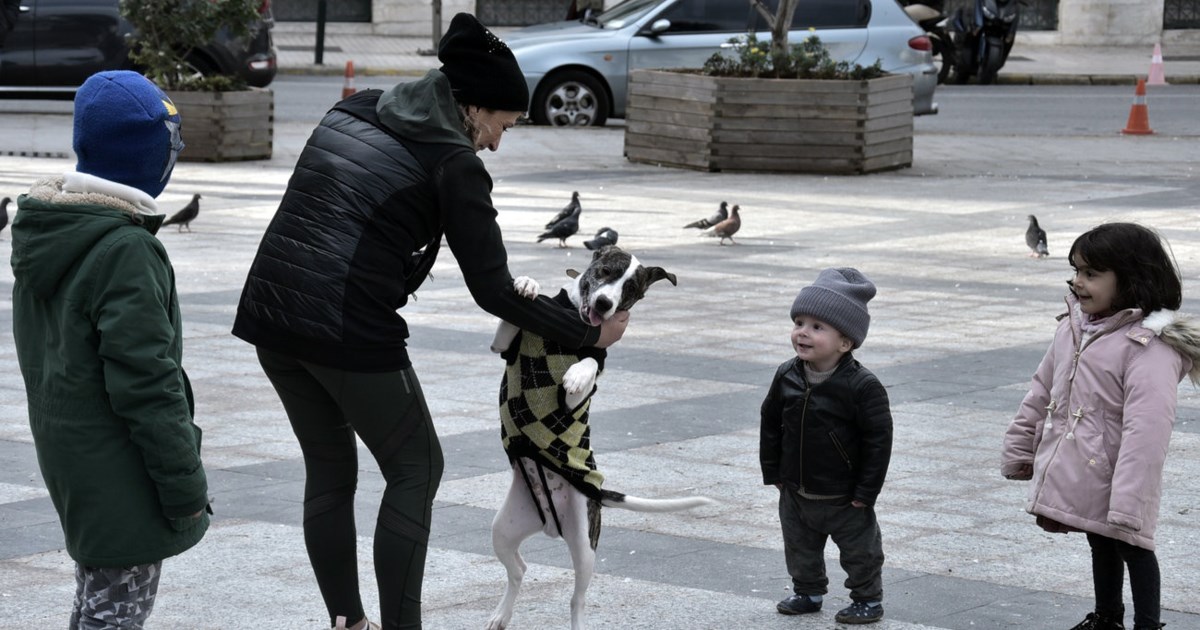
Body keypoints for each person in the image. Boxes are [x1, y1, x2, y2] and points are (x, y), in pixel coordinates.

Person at [231, 12, 628, 630]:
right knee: (418, 467)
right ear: (472, 108)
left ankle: (347, 622)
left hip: (271, 315)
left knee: (330, 469)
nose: (498, 142)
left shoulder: (354, 109)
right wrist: (587, 333)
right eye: (502, 124)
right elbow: (493, 289)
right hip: (347, 326)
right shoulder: (453, 163)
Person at [10, 70, 209, 628]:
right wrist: (185, 484)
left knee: (98, 604)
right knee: (116, 613)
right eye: (172, 145)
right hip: (124, 470)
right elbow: (148, 383)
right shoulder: (124, 250)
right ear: (148, 156)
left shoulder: (55, 228)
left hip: (77, 460)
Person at [1002, 223, 1198, 630]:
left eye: (1092, 274)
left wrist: (1130, 498)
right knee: (1099, 539)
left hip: (1118, 472)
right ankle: (1107, 617)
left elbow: (1148, 432)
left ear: (1130, 278)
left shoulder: (1149, 348)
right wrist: (1021, 448)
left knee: (1133, 546)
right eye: (1076, 271)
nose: (1078, 283)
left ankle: (1148, 625)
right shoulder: (1074, 327)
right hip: (1084, 465)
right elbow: (1042, 390)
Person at [759, 267, 893, 625]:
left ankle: (867, 598)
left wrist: (867, 491)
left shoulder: (863, 386)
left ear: (845, 342)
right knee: (800, 547)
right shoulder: (786, 374)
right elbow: (771, 422)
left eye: (817, 327)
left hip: (844, 495)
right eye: (799, 322)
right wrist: (773, 471)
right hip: (796, 489)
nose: (802, 332)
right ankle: (808, 590)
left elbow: (878, 442)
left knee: (860, 551)